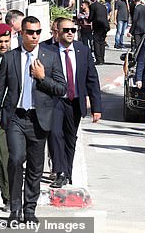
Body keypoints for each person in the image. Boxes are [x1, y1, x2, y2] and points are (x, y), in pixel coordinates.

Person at [0, 16, 67, 223]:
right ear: (21, 33)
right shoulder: (10, 58)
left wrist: (42, 78)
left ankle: (30, 210)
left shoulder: (50, 57)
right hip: (15, 117)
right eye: (30, 32)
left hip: (38, 119)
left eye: (37, 32)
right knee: (15, 160)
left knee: (35, 167)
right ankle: (15, 209)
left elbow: (62, 89)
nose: (34, 36)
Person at [47, 18, 102, 188]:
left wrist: (96, 107)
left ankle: (67, 172)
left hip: (75, 101)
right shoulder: (47, 50)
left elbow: (92, 79)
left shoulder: (82, 50)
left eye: (73, 30)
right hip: (55, 101)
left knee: (70, 138)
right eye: (66, 30)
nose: (70, 33)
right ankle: (60, 171)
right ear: (57, 32)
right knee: (55, 134)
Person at [0, 24, 12, 212]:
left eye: (7, 41)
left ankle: (8, 198)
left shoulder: (15, 58)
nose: (4, 45)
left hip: (5, 113)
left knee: (2, 157)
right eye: (0, 41)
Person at [88, 0, 109, 65]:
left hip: (98, 25)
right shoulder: (103, 6)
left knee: (96, 42)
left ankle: (98, 59)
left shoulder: (92, 6)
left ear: (91, 1)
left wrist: (88, 21)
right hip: (105, 25)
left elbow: (91, 16)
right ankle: (102, 59)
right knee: (102, 42)